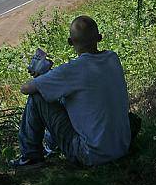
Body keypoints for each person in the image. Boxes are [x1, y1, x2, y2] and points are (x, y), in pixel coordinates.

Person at [10, 16, 132, 168]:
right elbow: (82, 82)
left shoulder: (72, 70)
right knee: (65, 97)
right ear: (99, 38)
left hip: (90, 154)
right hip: (122, 146)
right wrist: (51, 78)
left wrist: (45, 77)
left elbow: (25, 89)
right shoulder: (113, 58)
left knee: (37, 96)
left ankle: (30, 156)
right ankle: (51, 147)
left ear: (70, 42)